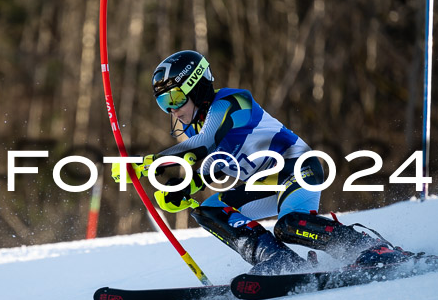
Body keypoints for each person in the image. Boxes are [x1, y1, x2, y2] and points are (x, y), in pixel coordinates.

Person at [112, 50, 411, 274]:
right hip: (266, 182)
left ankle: (370, 248)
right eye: (164, 103)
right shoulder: (196, 127)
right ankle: (278, 261)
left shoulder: (232, 103)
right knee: (209, 210)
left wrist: (148, 163)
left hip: (298, 168)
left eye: (175, 98)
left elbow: (205, 144)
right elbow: (213, 164)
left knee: (289, 224)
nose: (172, 110)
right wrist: (185, 189)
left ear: (197, 86)